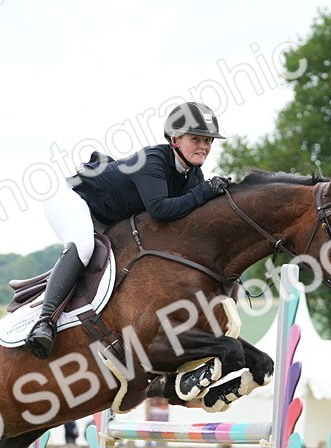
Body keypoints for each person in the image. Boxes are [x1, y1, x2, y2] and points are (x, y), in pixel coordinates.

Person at [24, 101, 231, 358]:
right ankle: (45, 322)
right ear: (175, 139)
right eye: (197, 138)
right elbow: (160, 210)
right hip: (72, 200)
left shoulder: (192, 174)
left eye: (209, 141)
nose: (204, 146)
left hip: (109, 217)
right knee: (84, 245)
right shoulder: (154, 160)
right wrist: (204, 193)